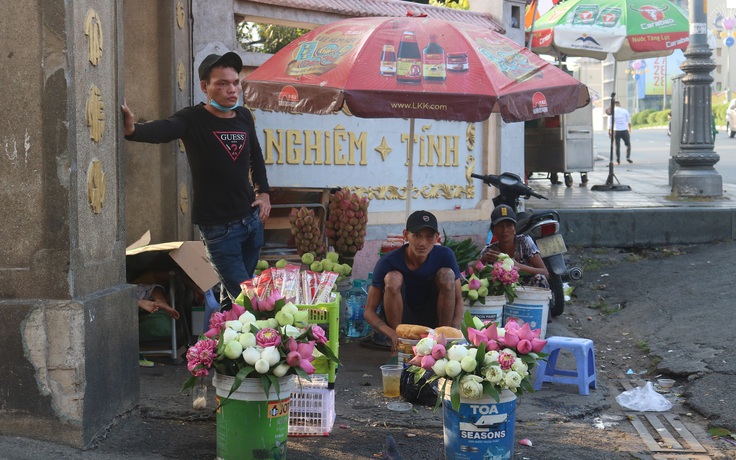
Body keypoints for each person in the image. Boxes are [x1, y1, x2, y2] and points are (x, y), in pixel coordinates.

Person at [121, 51, 271, 304]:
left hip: (251, 222)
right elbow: (165, 129)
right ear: (205, 86)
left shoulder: (244, 116)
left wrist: (263, 193)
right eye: (222, 84)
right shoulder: (193, 118)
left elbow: (255, 156)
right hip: (219, 228)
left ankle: (221, 340)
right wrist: (134, 131)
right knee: (248, 298)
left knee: (232, 300)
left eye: (235, 83)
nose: (232, 90)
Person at [364, 210, 463, 354]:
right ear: (406, 235)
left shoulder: (445, 255)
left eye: (429, 237)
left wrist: (453, 332)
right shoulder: (388, 261)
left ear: (437, 238)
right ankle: (399, 345)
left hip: (434, 316)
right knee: (393, 278)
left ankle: (442, 342)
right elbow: (369, 312)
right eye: (417, 236)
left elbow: (459, 299)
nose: (422, 243)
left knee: (447, 275)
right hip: (402, 321)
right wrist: (392, 334)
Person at [480, 205, 549, 288]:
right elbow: (471, 271)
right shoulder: (490, 251)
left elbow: (545, 273)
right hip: (502, 293)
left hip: (528, 291)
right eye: (500, 226)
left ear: (515, 229)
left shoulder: (524, 242)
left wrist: (518, 267)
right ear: (493, 230)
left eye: (509, 226)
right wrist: (482, 260)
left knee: (540, 278)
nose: (505, 230)